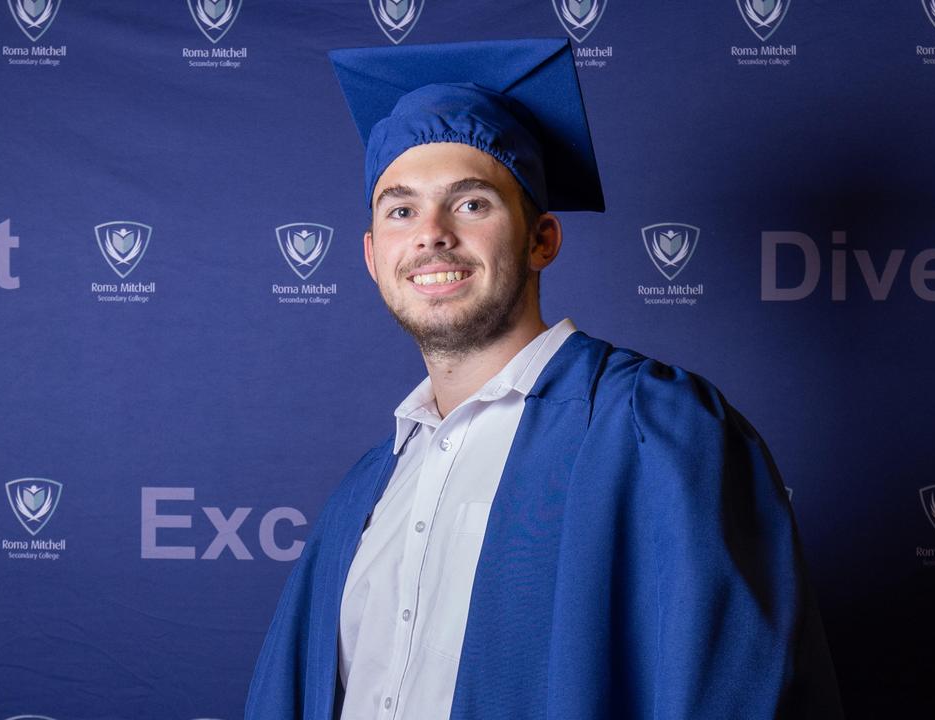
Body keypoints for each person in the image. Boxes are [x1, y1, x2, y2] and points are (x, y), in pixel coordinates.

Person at [245, 38, 843, 720]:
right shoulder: (365, 491)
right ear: (372, 257)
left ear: (543, 240)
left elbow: (735, 691)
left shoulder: (654, 430)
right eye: (400, 211)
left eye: (471, 205)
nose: (431, 234)